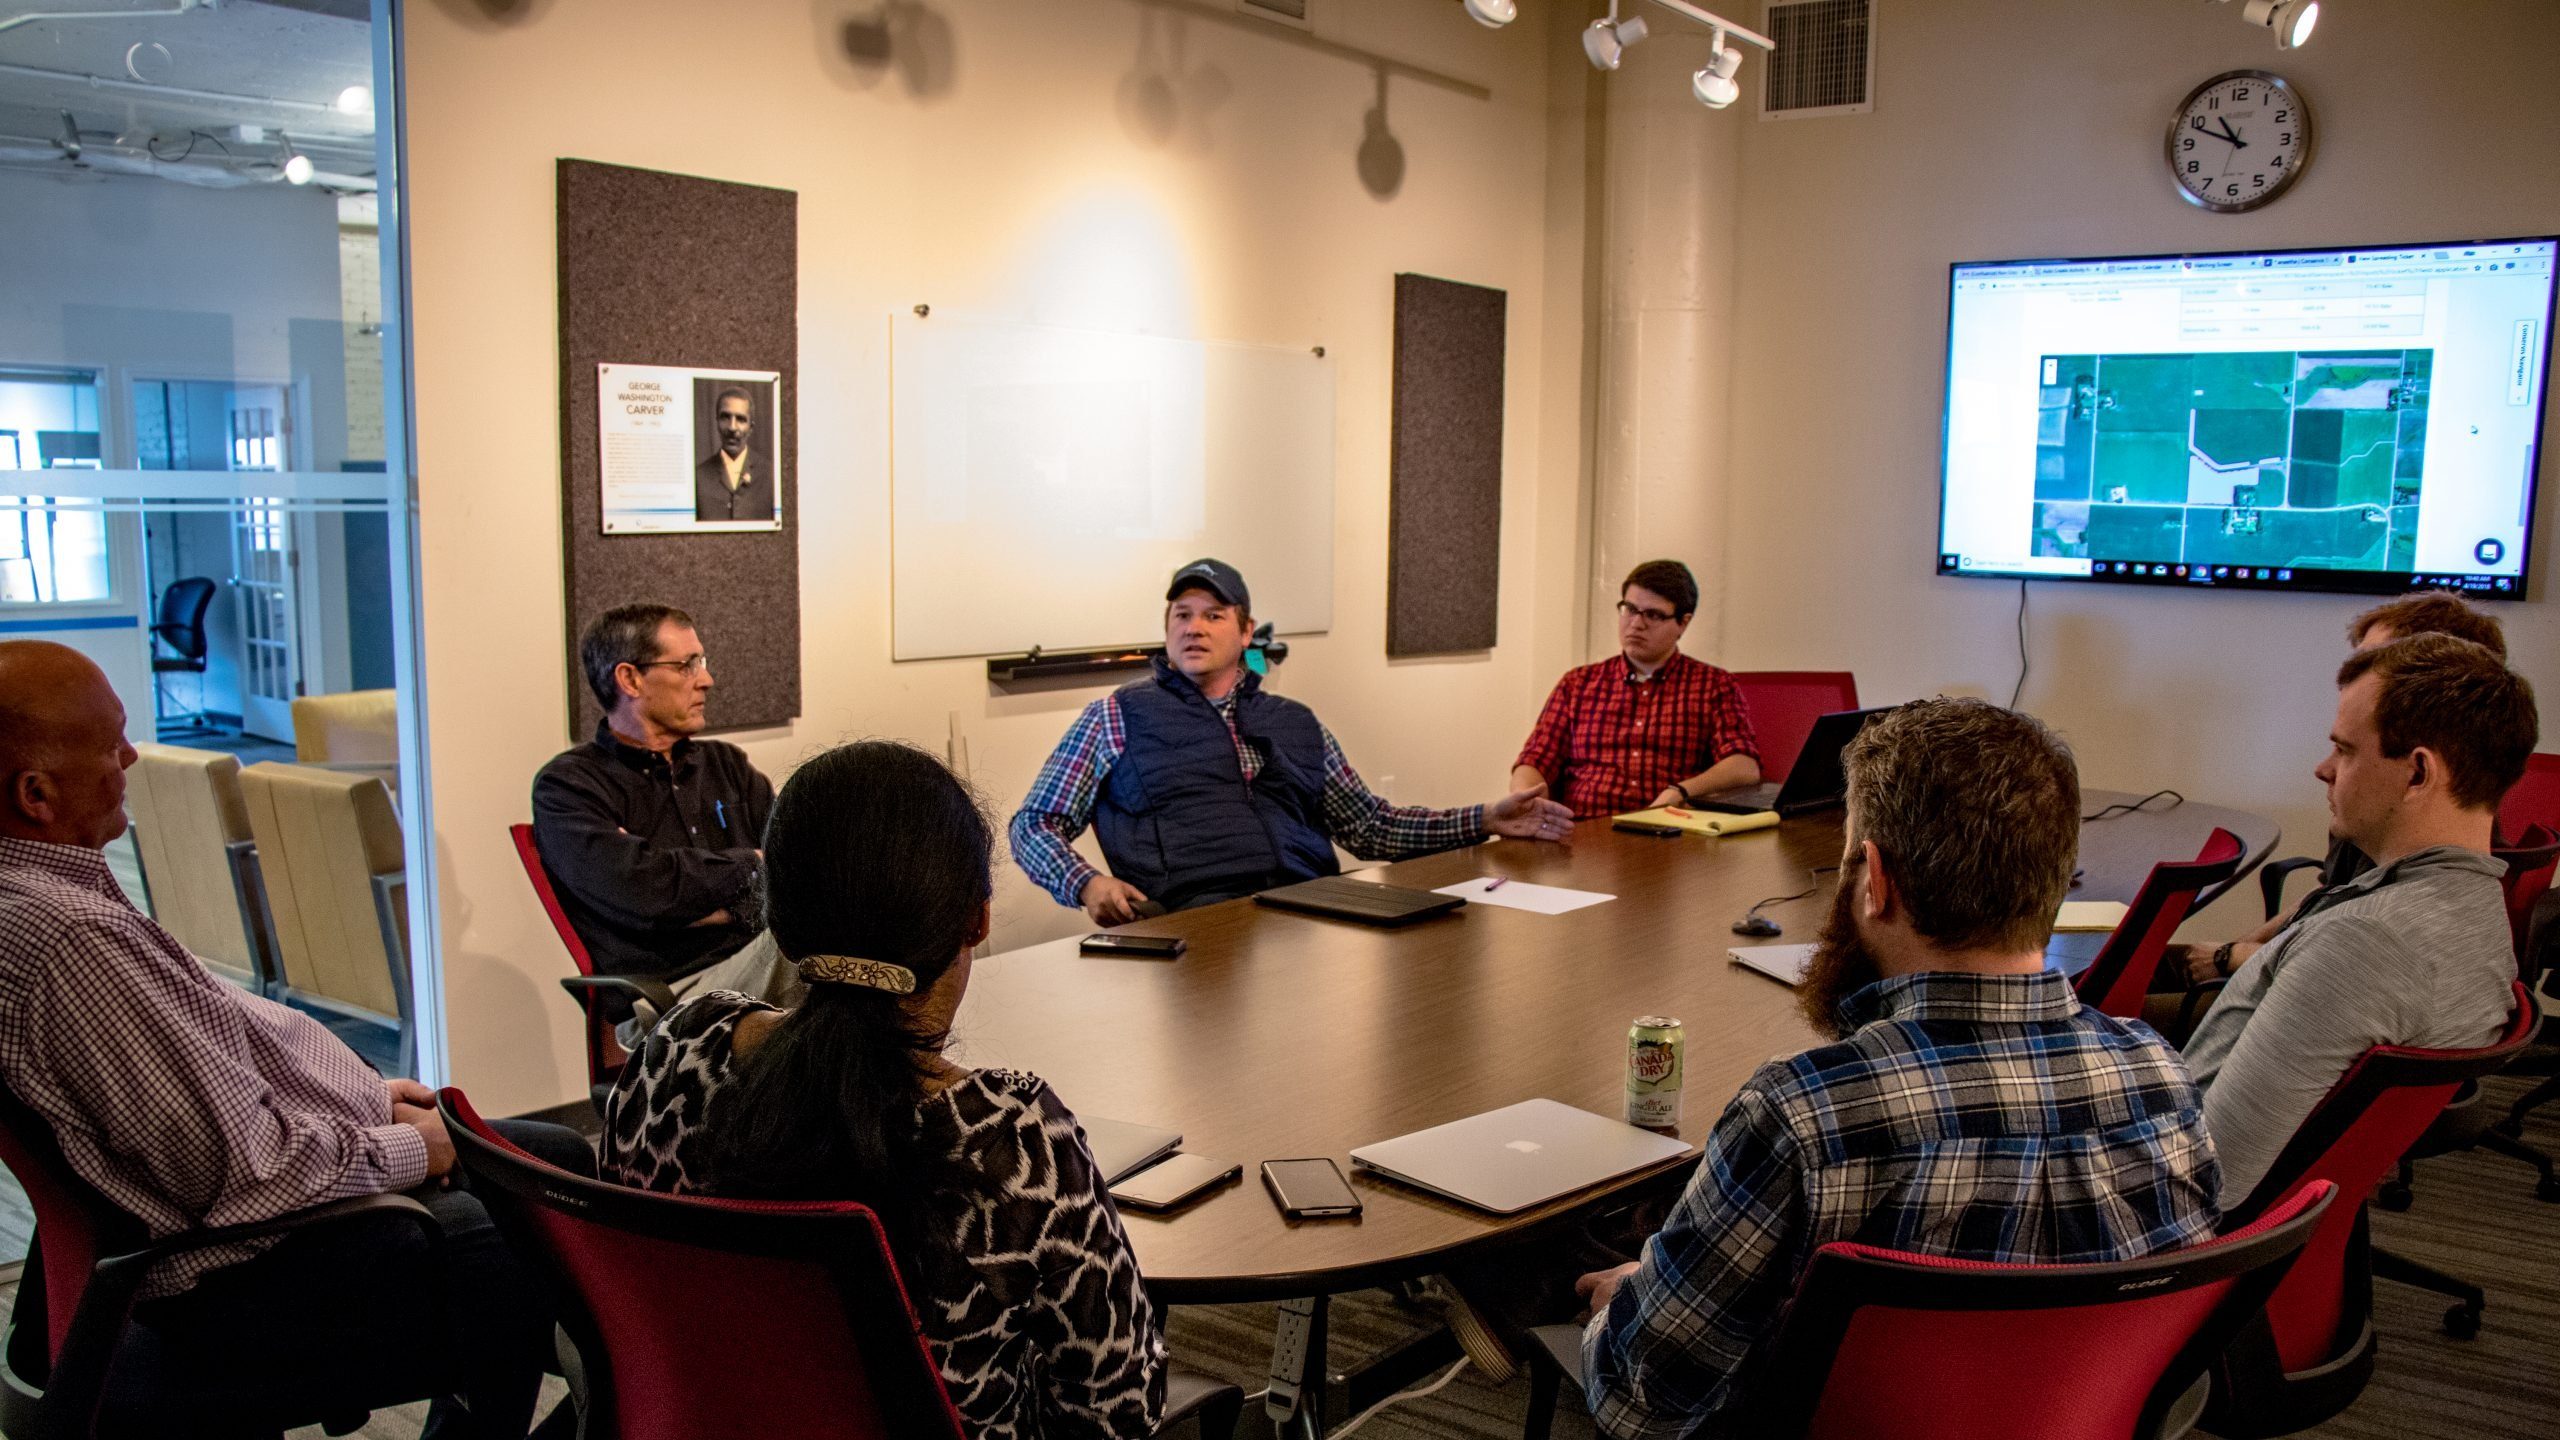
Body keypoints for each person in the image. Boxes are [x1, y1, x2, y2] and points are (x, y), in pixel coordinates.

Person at [1576, 698, 2220, 1438]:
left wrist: (1631, 1296)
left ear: (1875, 881)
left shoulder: (1803, 1110)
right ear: (2056, 879)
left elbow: (1644, 1403)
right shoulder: (2162, 1075)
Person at [0, 641, 585, 1438]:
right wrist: (417, 1150)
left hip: (223, 1219)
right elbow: (249, 1175)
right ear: (35, 793)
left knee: (557, 1153)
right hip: (246, 1272)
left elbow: (199, 1086)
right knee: (556, 1232)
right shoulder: (73, 942)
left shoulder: (45, 901)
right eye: (112, 744)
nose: (132, 756)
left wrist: (369, 1099)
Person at [599, 740, 1167, 1438]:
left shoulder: (677, 1050)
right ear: (977, 920)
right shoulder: (1012, 1139)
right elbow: (1120, 1412)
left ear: (774, 917)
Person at [1011, 559, 1573, 923]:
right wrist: (1086, 884)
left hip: (1317, 909)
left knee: (1454, 932)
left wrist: (1483, 818)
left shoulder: (1295, 720)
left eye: (1212, 614)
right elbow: (1033, 822)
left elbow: (1369, 827)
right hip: (1195, 919)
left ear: (1246, 631)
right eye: (1181, 615)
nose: (1193, 628)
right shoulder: (1118, 715)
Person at [2183, 634, 2536, 1204]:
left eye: (2345, 750)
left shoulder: (2366, 943)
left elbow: (2207, 1182)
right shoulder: (2472, 909)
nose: (2324, 769)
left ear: (2418, 773)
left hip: (2152, 1244)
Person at [2170, 590, 2509, 991]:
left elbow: (2331, 953)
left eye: (2375, 665)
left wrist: (2231, 956)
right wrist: (2241, 945)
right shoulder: (2388, 824)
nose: (2356, 678)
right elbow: (2327, 898)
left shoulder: (2407, 853)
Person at [533, 603, 773, 981]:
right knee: (831, 972)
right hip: (672, 993)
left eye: (702, 661)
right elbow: (646, 897)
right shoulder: (569, 787)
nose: (706, 679)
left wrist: (719, 901)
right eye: (686, 665)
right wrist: (755, 863)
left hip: (758, 958)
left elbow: (800, 865)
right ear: (630, 679)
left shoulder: (726, 764)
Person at [1512, 560, 1760, 818]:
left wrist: (1681, 791)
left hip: (1668, 834)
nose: (1636, 624)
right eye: (1629, 609)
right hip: (1583, 833)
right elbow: (1534, 761)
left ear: (1683, 623)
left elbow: (1744, 766)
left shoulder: (1713, 685)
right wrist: (1527, 801)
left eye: (1652, 615)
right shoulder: (1577, 684)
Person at [693, 385, 774, 522]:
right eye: (725, 417)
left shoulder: (771, 474)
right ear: (717, 422)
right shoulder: (698, 478)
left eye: (741, 419)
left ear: (751, 427)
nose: (732, 427)